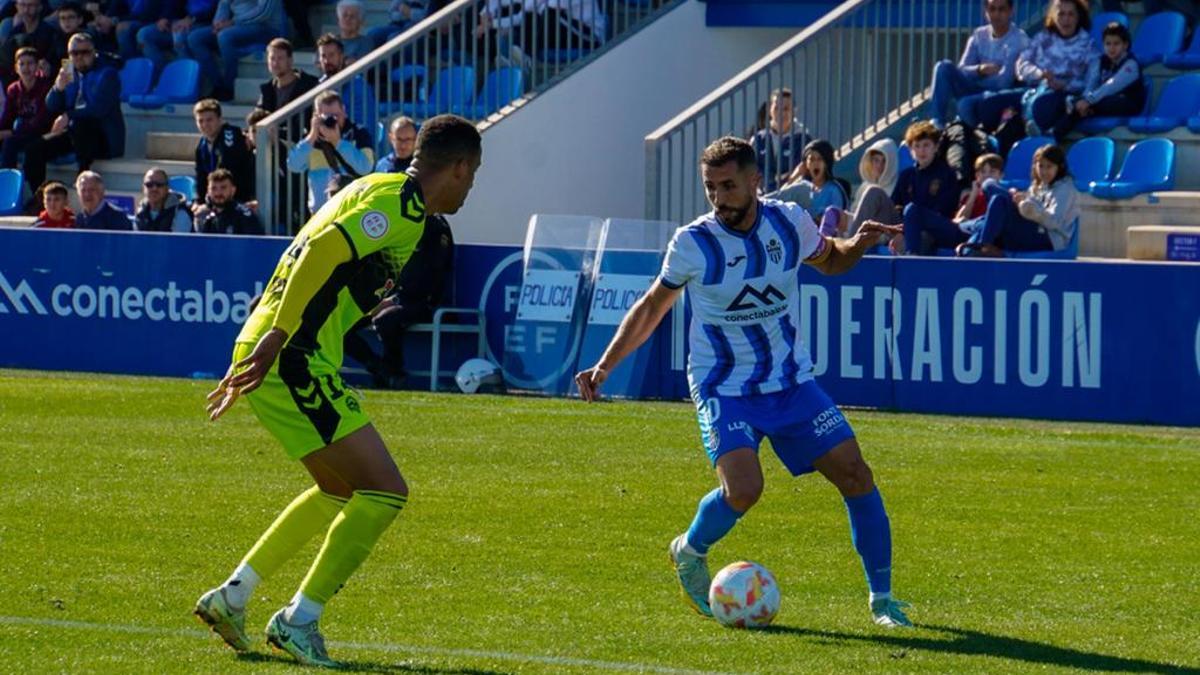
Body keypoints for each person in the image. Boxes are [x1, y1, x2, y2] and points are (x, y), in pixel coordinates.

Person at [574, 136, 910, 629]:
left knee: (857, 475)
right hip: (723, 385)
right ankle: (689, 550)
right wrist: (604, 365)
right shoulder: (693, 243)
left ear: (755, 182)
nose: (719, 197)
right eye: (710, 187)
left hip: (790, 380)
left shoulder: (789, 222)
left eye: (729, 185)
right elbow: (652, 308)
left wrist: (857, 243)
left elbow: (830, 260)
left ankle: (882, 601)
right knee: (744, 489)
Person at [197, 114, 483, 667]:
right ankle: (299, 620)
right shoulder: (401, 210)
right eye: (473, 176)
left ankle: (233, 597)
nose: (471, 188)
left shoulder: (371, 186)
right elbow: (322, 248)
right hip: (294, 355)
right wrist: (275, 339)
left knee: (336, 487)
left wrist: (259, 335)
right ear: (459, 167)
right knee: (385, 490)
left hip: (284, 350)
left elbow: (303, 252)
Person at [343, 211, 453, 388]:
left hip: (423, 302)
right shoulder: (400, 223)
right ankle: (379, 369)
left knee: (385, 319)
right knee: (343, 322)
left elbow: (431, 276)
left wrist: (392, 300)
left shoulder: (435, 227)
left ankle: (394, 374)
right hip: (394, 297)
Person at [976, 0, 1094, 135]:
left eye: (1071, 15)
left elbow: (1091, 82)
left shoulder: (1088, 45)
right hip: (1035, 90)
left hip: (1062, 95)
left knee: (1041, 106)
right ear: (1053, 16)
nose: (1065, 19)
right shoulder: (1042, 38)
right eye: (1061, 14)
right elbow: (1021, 65)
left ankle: (1031, 131)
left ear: (1079, 17)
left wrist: (1064, 85)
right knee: (988, 104)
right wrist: (1039, 74)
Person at [25, 32, 124, 192]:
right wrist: (58, 88)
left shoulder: (107, 73)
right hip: (73, 133)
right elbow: (51, 105)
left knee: (82, 124)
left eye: (84, 52)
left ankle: (82, 177)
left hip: (102, 136)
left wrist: (68, 115)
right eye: (74, 53)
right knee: (34, 149)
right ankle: (39, 195)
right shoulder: (68, 69)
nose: (79, 57)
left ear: (94, 52)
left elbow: (99, 109)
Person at [957, 143, 1078, 256]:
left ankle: (968, 229)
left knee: (989, 185)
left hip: (1049, 239)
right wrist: (1020, 198)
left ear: (1059, 167)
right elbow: (1029, 209)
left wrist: (1027, 205)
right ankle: (983, 245)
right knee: (998, 199)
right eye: (1040, 166)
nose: (1044, 171)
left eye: (1049, 167)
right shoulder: (1038, 185)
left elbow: (1054, 222)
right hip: (1030, 231)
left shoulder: (1065, 188)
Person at [928, 0, 1030, 129]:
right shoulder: (979, 34)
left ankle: (974, 134)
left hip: (997, 96)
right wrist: (980, 70)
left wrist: (976, 77)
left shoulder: (1019, 40)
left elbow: (1004, 82)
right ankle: (937, 123)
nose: (996, 14)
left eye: (1001, 9)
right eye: (992, 9)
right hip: (974, 88)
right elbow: (962, 69)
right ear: (985, 12)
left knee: (964, 104)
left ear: (1011, 11)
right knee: (943, 67)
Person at [892, 153, 1004, 255]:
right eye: (983, 172)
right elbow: (958, 219)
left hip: (982, 237)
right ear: (976, 176)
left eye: (992, 171)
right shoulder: (970, 196)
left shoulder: (1003, 196)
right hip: (961, 233)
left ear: (1001, 175)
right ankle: (911, 257)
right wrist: (973, 196)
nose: (987, 175)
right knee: (912, 209)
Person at [1052, 21, 1144, 141]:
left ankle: (1055, 134)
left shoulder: (1131, 65)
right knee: (1070, 101)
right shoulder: (1100, 61)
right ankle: (1056, 130)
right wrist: (1084, 100)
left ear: (1125, 45)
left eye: (1116, 44)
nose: (1111, 48)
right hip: (1100, 101)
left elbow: (1111, 86)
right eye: (1108, 44)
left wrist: (1089, 101)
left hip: (1126, 103)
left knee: (1099, 102)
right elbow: (1092, 84)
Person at [286, 89, 373, 213]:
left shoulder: (359, 133)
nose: (333, 120)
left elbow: (365, 167)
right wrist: (312, 135)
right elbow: (293, 166)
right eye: (326, 117)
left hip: (351, 211)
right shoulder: (311, 140)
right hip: (320, 214)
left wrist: (338, 143)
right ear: (316, 116)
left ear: (344, 111)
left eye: (336, 115)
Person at [186, 0, 282, 100]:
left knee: (225, 36)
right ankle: (218, 85)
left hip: (266, 27)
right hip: (238, 26)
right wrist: (218, 24)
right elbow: (223, 4)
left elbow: (264, 13)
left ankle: (229, 87)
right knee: (195, 38)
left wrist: (233, 22)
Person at [816, 137, 901, 238]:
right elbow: (857, 216)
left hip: (885, 229)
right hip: (862, 228)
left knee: (873, 191)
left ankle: (851, 245)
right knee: (832, 212)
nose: (879, 166)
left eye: (884, 162)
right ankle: (823, 248)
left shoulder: (899, 184)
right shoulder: (865, 186)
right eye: (876, 160)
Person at [892, 121, 959, 223]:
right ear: (910, 150)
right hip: (902, 227)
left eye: (926, 145)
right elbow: (894, 205)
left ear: (936, 147)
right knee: (873, 192)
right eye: (917, 146)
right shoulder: (906, 175)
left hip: (931, 230)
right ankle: (860, 234)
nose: (921, 150)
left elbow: (944, 212)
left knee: (912, 210)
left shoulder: (946, 174)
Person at [193, 98, 255, 207]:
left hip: (240, 200)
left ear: (220, 119)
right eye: (200, 121)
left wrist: (208, 205)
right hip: (218, 198)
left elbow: (224, 174)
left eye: (209, 120)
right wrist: (199, 202)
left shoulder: (230, 136)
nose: (205, 124)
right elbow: (201, 177)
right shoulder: (201, 145)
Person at [750, 88, 810, 193]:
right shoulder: (758, 139)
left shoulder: (803, 139)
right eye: (776, 108)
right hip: (762, 197)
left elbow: (804, 170)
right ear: (770, 110)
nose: (781, 113)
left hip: (791, 196)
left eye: (786, 109)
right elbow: (749, 167)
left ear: (794, 111)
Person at [774, 139, 849, 221]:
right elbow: (779, 200)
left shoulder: (834, 190)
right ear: (806, 164)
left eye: (820, 159)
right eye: (811, 159)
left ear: (827, 163)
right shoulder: (802, 187)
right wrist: (794, 177)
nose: (815, 163)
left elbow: (837, 218)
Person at [0, 46, 50, 170]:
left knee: (10, 143)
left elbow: (41, 119)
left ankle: (8, 182)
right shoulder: (13, 89)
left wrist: (12, 132)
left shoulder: (45, 86)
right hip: (21, 132)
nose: (26, 68)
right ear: (16, 68)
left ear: (37, 66)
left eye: (30, 63)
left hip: (41, 132)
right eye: (22, 64)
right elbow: (8, 116)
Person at [256, 37, 320, 117]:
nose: (275, 63)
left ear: (290, 60)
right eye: (272, 58)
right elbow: (257, 119)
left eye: (280, 58)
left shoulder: (310, 85)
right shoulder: (267, 91)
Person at [193, 167, 264, 234]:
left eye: (223, 188)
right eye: (213, 188)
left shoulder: (244, 216)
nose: (218, 193)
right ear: (208, 191)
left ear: (233, 190)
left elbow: (257, 244)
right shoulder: (206, 218)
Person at [0, 0, 55, 84]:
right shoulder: (14, 33)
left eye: (30, 5)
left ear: (40, 7)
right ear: (17, 7)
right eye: (22, 5)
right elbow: (5, 62)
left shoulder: (50, 33)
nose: (26, 10)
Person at [135, 167, 193, 232]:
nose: (154, 188)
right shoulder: (141, 211)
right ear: (143, 188)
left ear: (167, 188)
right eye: (149, 185)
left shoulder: (180, 213)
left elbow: (179, 241)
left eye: (159, 185)